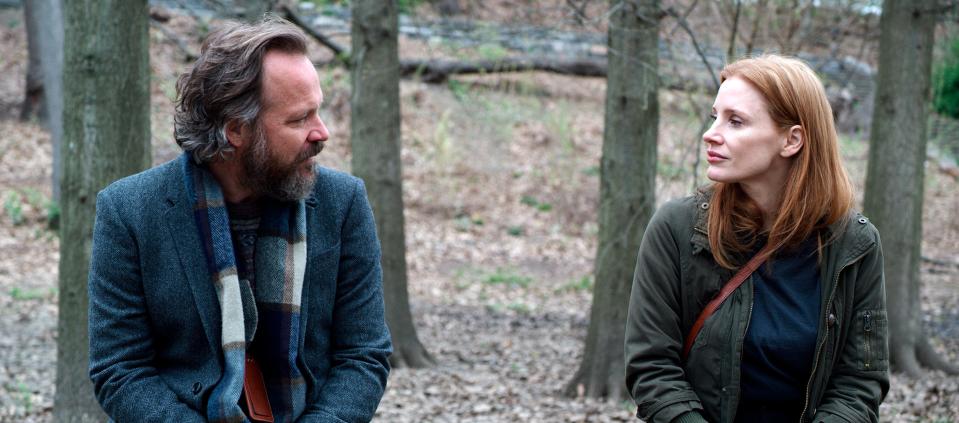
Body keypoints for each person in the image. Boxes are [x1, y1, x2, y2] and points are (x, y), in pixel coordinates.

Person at [87, 16, 391, 422]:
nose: (322, 133)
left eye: (317, 112)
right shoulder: (129, 212)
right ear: (235, 130)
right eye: (299, 119)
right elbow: (119, 370)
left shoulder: (343, 202)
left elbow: (364, 355)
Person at [624, 55, 888, 423]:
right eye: (715, 115)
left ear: (791, 140)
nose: (711, 132)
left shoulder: (854, 245)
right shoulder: (677, 229)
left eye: (736, 121)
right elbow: (652, 368)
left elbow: (859, 383)